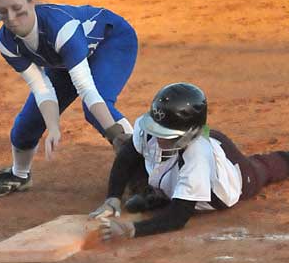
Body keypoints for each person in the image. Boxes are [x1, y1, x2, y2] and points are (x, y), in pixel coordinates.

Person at [0, 0, 138, 198]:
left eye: (18, 9)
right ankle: (19, 174)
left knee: (99, 111)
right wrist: (52, 126)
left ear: (32, 2)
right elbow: (41, 88)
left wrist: (115, 135)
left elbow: (87, 89)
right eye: (3, 12)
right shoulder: (6, 41)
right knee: (28, 123)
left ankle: (143, 168)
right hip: (63, 61)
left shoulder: (61, 28)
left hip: (111, 43)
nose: (12, 19)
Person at [89, 82, 289, 240]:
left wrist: (131, 229)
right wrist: (112, 198)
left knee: (263, 167)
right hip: (181, 163)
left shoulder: (197, 156)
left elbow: (178, 217)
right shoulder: (147, 126)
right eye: (156, 130)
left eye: (166, 135)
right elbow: (127, 156)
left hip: (232, 179)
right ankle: (152, 193)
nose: (158, 138)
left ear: (189, 133)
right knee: (127, 146)